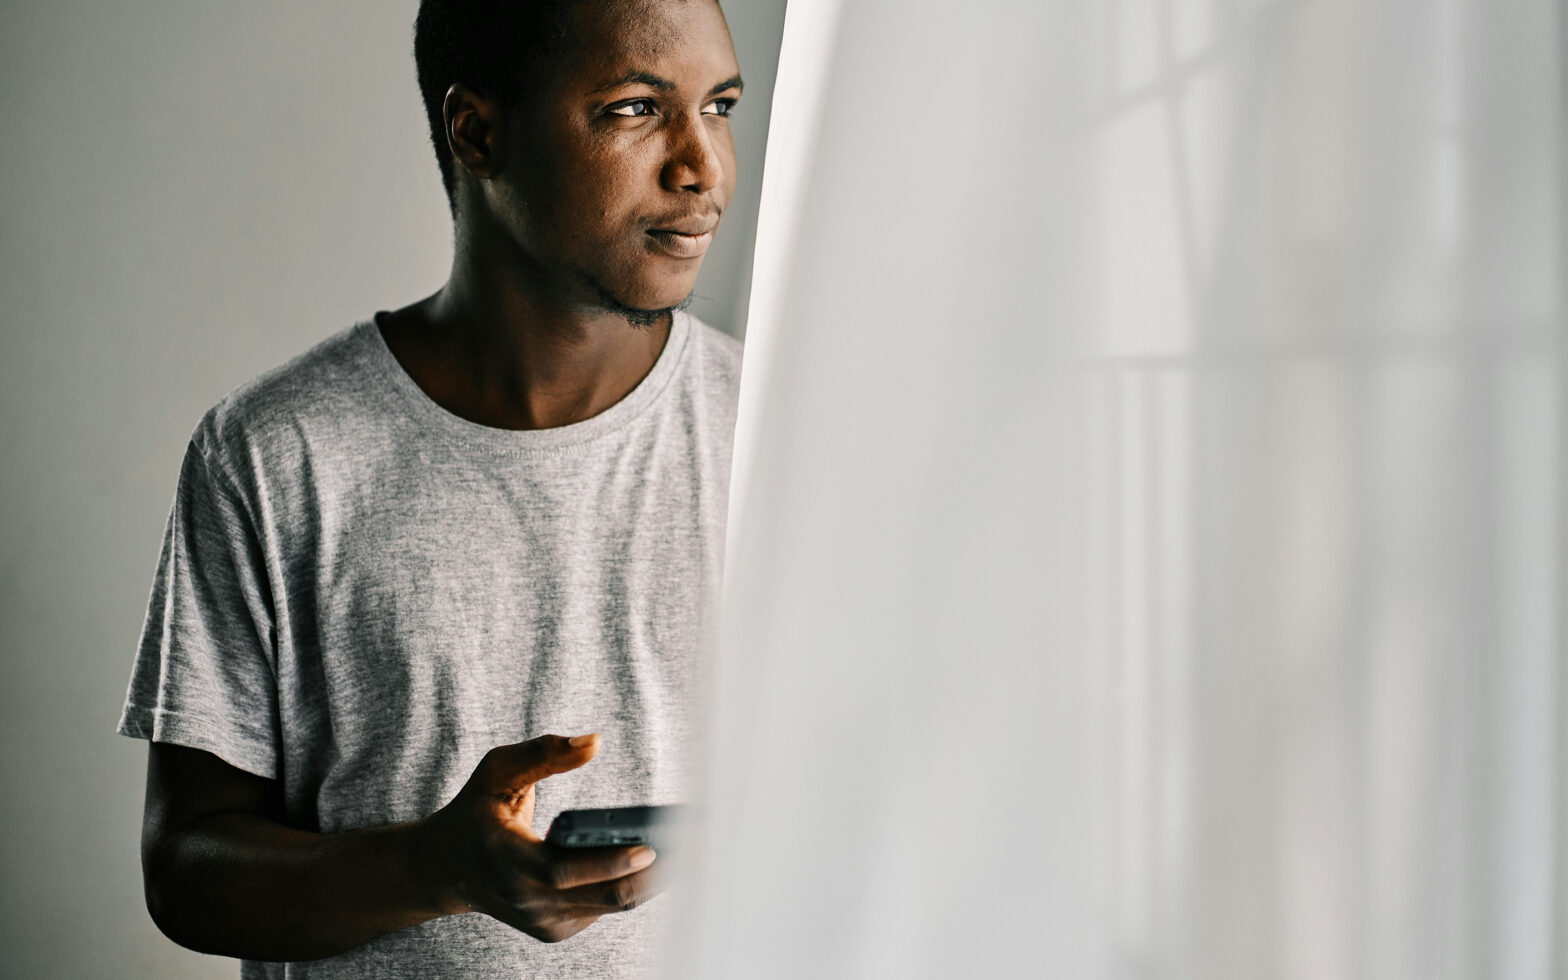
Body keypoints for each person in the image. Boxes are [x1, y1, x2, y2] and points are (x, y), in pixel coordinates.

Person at [115, 0, 744, 975]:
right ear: (478, 132)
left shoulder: (767, 432)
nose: (701, 166)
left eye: (720, 106)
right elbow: (188, 870)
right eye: (634, 109)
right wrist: (432, 865)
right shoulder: (281, 449)